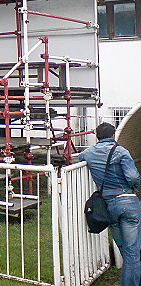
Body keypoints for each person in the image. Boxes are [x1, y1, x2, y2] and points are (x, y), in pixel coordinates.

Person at [79, 122, 141, 286]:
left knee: (125, 250)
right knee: (132, 251)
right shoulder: (121, 152)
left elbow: (79, 157)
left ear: (96, 136)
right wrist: (135, 187)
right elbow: (133, 177)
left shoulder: (89, 153)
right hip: (128, 201)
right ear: (113, 135)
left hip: (109, 206)